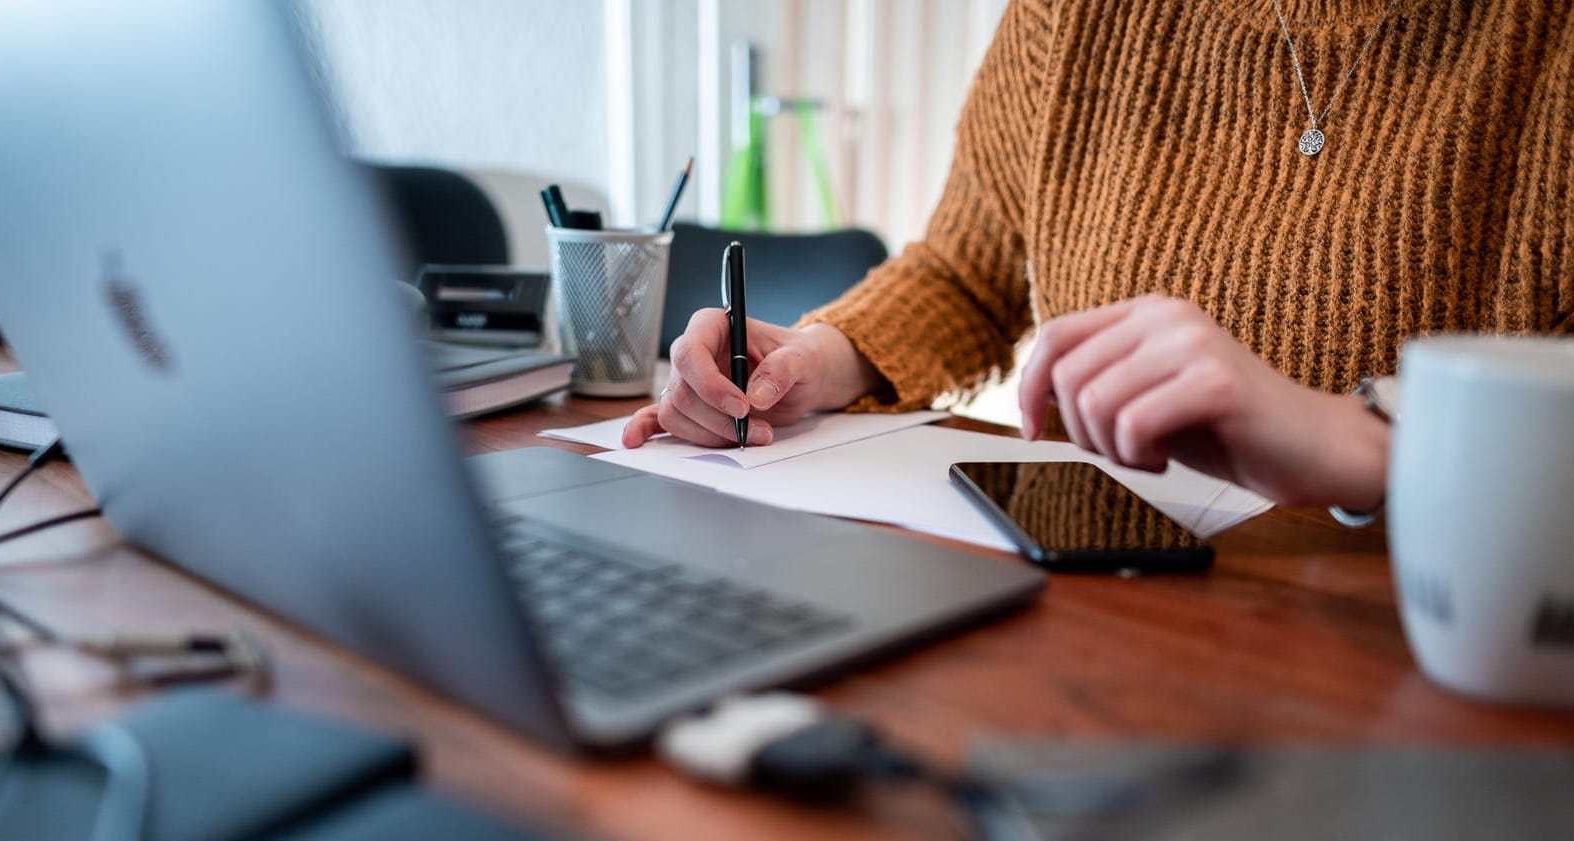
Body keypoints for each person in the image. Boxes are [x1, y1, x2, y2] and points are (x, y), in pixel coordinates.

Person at [624, 0, 1572, 518]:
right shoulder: (1073, 16)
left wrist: (1362, 444)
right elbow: (964, 270)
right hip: (1101, 599)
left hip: (1418, 652)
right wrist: (812, 360)